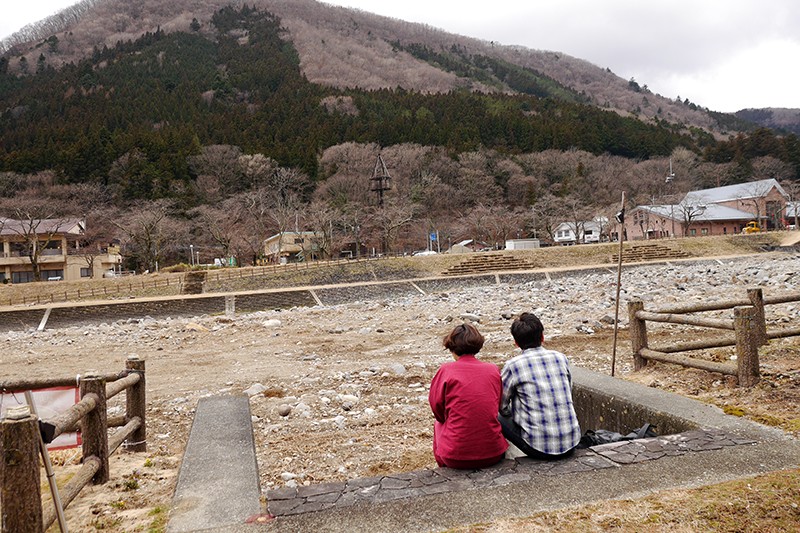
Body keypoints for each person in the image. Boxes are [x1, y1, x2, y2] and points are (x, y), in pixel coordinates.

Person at [499, 312, 581, 460]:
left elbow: (501, 406)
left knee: (498, 416)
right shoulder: (560, 358)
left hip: (539, 449)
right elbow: (567, 390)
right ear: (542, 337)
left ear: (516, 343)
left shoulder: (513, 365)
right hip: (572, 442)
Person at [428, 323, 508, 469]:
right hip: (494, 454)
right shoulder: (492, 369)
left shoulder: (446, 370)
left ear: (451, 348)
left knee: (438, 424)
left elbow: (437, 409)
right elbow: (495, 404)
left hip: (454, 458)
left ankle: (442, 467)